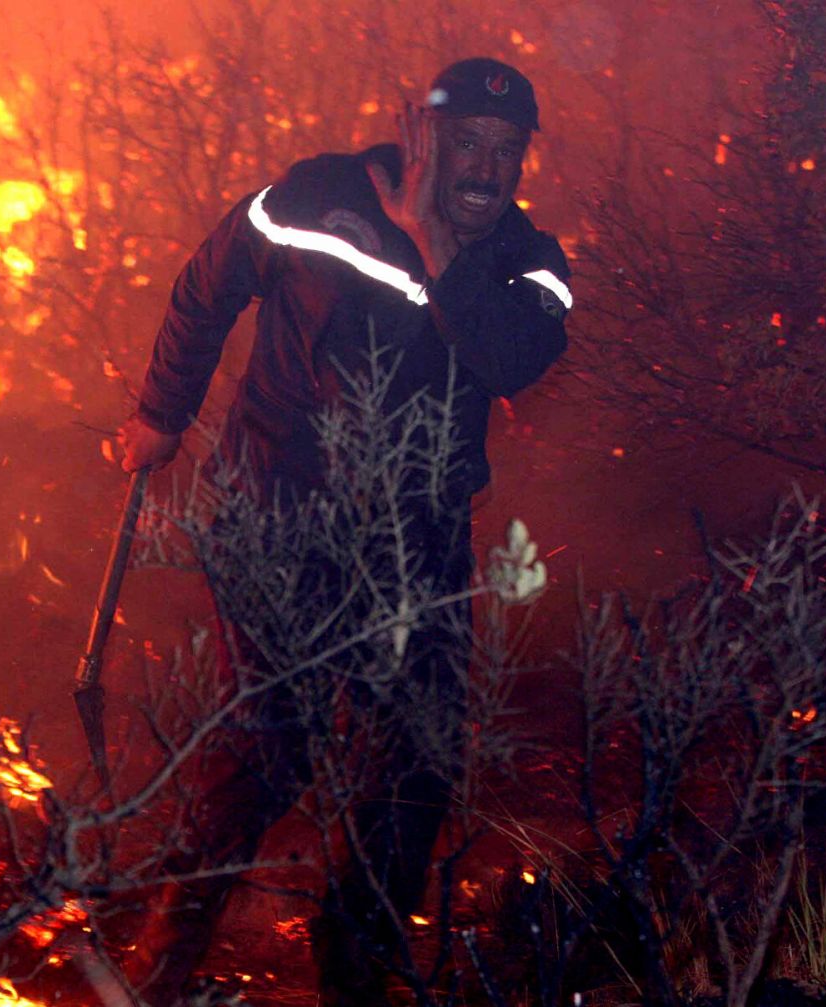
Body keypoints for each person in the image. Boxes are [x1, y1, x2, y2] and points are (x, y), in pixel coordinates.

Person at [116, 57, 571, 1005]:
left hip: (416, 540)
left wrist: (434, 243)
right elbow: (207, 286)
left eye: (507, 150)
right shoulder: (317, 197)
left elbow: (511, 358)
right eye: (467, 143)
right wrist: (161, 413)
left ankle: (354, 963)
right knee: (271, 744)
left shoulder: (529, 262)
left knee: (419, 756)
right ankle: (160, 959)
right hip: (276, 511)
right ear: (424, 136)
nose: (486, 169)